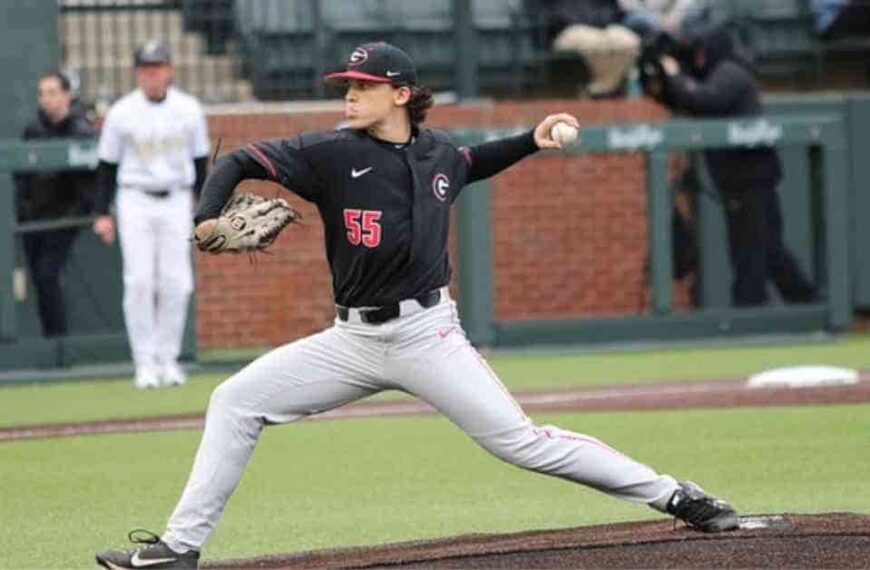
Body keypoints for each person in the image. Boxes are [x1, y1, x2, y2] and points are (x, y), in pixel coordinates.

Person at [95, 42, 739, 570]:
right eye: (346, 84)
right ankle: (179, 549)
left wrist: (531, 140)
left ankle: (675, 494)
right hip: (349, 341)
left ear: (400, 95)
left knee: (524, 443)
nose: (349, 94)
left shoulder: (437, 155)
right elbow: (237, 159)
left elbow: (470, 162)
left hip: (427, 335)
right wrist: (207, 217)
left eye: (363, 85)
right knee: (234, 401)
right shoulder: (330, 152)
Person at [655, 26, 818, 306]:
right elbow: (686, 98)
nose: (698, 59)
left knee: (752, 254)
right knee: (768, 251)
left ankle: (750, 317)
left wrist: (674, 74)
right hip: (741, 181)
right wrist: (667, 78)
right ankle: (807, 303)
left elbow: (703, 100)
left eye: (701, 53)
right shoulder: (713, 74)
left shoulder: (730, 73)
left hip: (750, 181)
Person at [92, 40, 211, 389]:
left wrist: (205, 210)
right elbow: (106, 166)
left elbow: (200, 163)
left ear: (169, 69)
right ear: (137, 73)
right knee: (140, 281)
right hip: (135, 198)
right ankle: (144, 362)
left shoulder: (188, 109)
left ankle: (168, 359)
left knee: (177, 282)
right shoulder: (122, 111)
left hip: (176, 198)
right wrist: (102, 212)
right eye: (146, 68)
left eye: (158, 67)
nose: (153, 74)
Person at [14, 71, 96, 337]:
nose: (46, 99)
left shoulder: (80, 129)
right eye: (42, 94)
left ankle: (60, 342)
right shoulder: (32, 129)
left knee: (48, 275)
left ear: (66, 95)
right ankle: (52, 341)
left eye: (52, 93)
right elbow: (22, 175)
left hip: (65, 220)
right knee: (40, 280)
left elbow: (89, 182)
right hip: (33, 221)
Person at [539, 0, 641, 97]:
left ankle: (603, 88)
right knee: (595, 45)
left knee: (628, 41)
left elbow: (614, 10)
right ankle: (601, 91)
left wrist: (602, 22)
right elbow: (550, 14)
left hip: (601, 28)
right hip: (566, 30)